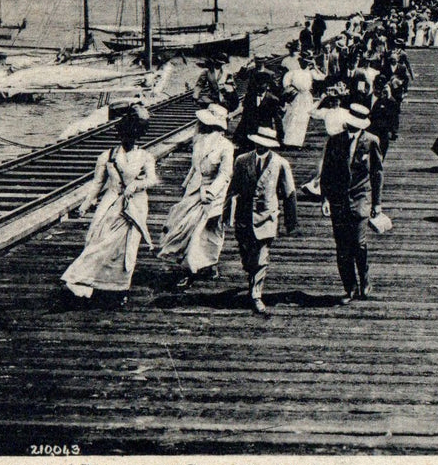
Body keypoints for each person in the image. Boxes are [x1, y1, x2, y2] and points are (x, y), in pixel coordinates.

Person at [61, 105, 158, 305]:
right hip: (111, 203)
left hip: (133, 206)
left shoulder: (145, 157)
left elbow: (152, 180)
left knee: (126, 248)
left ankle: (120, 288)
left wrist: (137, 185)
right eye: (125, 136)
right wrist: (86, 204)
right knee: (99, 241)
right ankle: (88, 281)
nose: (127, 140)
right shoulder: (107, 156)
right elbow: (97, 183)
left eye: (131, 137)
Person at [157, 104, 234, 289]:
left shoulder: (226, 146)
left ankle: (197, 268)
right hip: (194, 190)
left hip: (213, 194)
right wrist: (185, 185)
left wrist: (211, 192)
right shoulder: (198, 140)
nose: (200, 125)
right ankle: (193, 266)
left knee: (208, 231)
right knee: (183, 224)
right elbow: (195, 167)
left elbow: (225, 174)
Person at [224, 125, 298, 316]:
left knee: (261, 258)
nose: (261, 147)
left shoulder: (280, 163)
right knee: (247, 257)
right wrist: (226, 215)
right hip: (244, 217)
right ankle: (251, 277)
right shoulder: (242, 160)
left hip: (266, 217)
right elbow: (233, 189)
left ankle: (256, 295)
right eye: (258, 143)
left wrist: (291, 221)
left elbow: (289, 193)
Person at [320, 103, 383, 305]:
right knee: (342, 247)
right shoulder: (335, 141)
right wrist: (325, 198)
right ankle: (350, 288)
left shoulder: (371, 142)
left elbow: (377, 173)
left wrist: (377, 203)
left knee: (358, 243)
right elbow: (327, 171)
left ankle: (364, 280)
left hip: (361, 199)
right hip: (338, 200)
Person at [233, 70, 284, 155]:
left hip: (264, 131)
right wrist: (238, 133)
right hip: (249, 131)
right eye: (257, 83)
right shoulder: (250, 97)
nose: (259, 86)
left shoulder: (273, 99)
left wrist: (280, 136)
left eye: (262, 84)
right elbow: (244, 117)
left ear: (267, 85)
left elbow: (277, 119)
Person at [281, 56, 326, 148]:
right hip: (296, 97)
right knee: (293, 117)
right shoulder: (294, 72)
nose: (303, 64)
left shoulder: (310, 73)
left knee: (303, 119)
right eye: (302, 62)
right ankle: (288, 141)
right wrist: (290, 90)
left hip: (306, 98)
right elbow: (285, 81)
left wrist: (315, 67)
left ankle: (297, 142)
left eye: (306, 62)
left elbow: (323, 77)